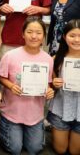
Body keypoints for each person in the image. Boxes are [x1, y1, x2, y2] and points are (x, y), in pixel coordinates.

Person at [0, 16, 54, 155]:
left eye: (39, 32)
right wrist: (10, 86)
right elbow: (0, 76)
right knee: (15, 149)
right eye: (29, 32)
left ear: (44, 36)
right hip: (12, 112)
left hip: (35, 114)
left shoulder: (48, 59)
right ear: (23, 34)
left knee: (35, 149)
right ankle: (2, 125)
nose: (34, 36)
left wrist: (50, 90)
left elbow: (48, 84)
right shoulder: (10, 55)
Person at [47, 19, 80, 154]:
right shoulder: (56, 58)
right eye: (72, 35)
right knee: (60, 150)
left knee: (74, 152)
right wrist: (54, 84)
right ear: (65, 37)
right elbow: (50, 86)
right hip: (61, 108)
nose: (77, 40)